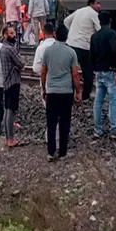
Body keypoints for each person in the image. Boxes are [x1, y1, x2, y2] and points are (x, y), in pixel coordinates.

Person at [40, 24, 82, 161]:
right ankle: (63, 152)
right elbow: (75, 75)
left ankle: (51, 152)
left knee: (51, 122)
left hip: (52, 91)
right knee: (64, 122)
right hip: (66, 92)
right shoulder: (71, 53)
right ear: (67, 37)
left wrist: (44, 89)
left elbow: (43, 72)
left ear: (55, 35)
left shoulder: (47, 51)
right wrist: (78, 91)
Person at [90, 11, 116, 138]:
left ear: (99, 21)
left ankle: (97, 129)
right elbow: (114, 51)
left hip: (98, 71)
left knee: (98, 101)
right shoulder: (111, 34)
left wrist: (94, 67)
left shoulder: (94, 36)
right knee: (113, 100)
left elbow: (91, 54)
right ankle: (114, 129)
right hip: (110, 71)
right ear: (109, 21)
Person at [64, 0, 101, 102]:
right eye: (97, 3)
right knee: (88, 72)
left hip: (71, 44)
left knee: (71, 72)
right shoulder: (94, 14)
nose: (99, 6)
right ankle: (85, 96)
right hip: (84, 46)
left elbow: (66, 21)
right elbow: (99, 30)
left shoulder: (79, 11)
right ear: (92, 4)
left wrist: (72, 32)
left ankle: (69, 96)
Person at [0, 25, 25, 147]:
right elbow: (21, 63)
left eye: (13, 33)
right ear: (5, 35)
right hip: (13, 82)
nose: (13, 35)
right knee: (11, 110)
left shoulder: (3, 48)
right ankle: (10, 139)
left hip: (6, 82)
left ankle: (7, 137)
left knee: (6, 110)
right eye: (10, 33)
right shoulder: (10, 49)